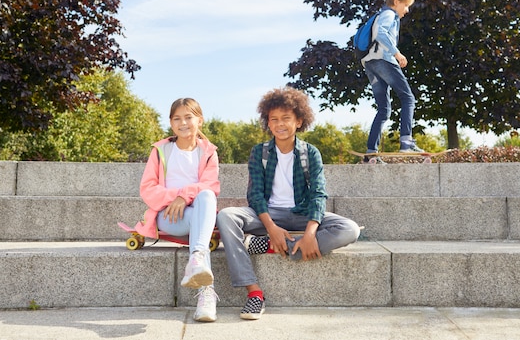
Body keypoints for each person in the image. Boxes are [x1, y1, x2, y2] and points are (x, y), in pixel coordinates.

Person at [217, 87, 361, 320]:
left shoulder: (310, 153)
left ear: (299, 121)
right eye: (273, 119)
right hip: (267, 216)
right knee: (226, 216)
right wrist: (272, 228)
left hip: (303, 214)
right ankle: (254, 293)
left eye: (286, 118)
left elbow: (318, 194)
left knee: (350, 229)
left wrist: (311, 234)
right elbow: (255, 196)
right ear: (267, 122)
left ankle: (269, 247)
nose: (279, 124)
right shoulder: (259, 152)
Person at [137, 97, 220, 322]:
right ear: (171, 123)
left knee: (206, 196)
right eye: (177, 118)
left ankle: (197, 262)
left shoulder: (208, 152)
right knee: (200, 212)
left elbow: (211, 185)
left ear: (199, 120)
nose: (183, 123)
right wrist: (176, 198)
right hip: (168, 216)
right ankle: (206, 293)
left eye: (188, 117)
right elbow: (147, 189)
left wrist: (185, 197)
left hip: (197, 214)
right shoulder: (161, 150)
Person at [361, 0, 422, 163]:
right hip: (383, 60)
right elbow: (381, 33)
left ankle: (371, 151)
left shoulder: (381, 15)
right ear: (396, 2)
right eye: (406, 5)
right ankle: (406, 142)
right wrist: (397, 53)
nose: (407, 10)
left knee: (384, 109)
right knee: (408, 98)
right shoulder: (389, 14)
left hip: (370, 63)